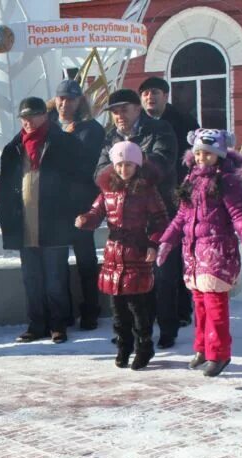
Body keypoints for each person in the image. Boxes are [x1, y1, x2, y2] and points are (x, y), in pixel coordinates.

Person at [158, 129, 242, 377]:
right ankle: (202, 348)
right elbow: (182, 216)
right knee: (200, 304)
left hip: (217, 250)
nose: (202, 158)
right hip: (193, 251)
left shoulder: (226, 180)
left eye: (208, 153)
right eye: (199, 153)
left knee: (215, 303)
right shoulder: (191, 179)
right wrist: (167, 241)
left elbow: (239, 214)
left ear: (219, 155)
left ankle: (219, 352)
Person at [95, 89, 181, 348]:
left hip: (159, 213)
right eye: (114, 112)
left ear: (137, 108)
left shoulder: (159, 129)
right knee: (129, 281)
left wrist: (130, 164)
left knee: (163, 276)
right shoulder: (110, 137)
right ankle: (130, 331)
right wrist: (120, 170)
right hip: (125, 222)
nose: (119, 115)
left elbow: (163, 164)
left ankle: (168, 329)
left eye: (124, 109)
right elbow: (99, 173)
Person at [0, 97, 87, 344]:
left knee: (55, 279)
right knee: (32, 280)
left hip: (54, 222)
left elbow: (79, 180)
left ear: (44, 116)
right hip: (24, 223)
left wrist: (71, 209)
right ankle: (36, 324)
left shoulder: (64, 143)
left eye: (32, 116)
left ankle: (59, 324)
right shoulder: (13, 148)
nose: (27, 122)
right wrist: (5, 213)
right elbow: (4, 186)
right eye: (23, 117)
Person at [76, 141, 168, 369]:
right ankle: (123, 346)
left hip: (137, 251)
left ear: (137, 165)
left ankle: (144, 346)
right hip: (113, 253)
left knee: (138, 307)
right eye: (119, 165)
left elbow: (160, 221)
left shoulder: (147, 191)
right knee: (117, 307)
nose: (124, 170)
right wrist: (86, 220)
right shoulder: (108, 190)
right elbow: (97, 212)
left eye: (129, 165)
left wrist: (153, 244)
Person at [138, 76, 199, 330]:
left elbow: (195, 160)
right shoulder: (137, 123)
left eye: (155, 93)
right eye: (145, 94)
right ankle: (151, 310)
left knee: (178, 256)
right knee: (152, 257)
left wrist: (188, 192)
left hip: (178, 197)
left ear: (166, 95)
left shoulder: (184, 121)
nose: (150, 97)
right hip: (145, 200)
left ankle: (182, 309)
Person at [50, 79, 106, 331]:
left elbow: (86, 165)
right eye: (61, 98)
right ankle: (63, 314)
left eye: (70, 99)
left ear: (79, 101)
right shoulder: (49, 125)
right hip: (57, 207)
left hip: (83, 204)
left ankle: (90, 311)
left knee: (86, 261)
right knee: (57, 262)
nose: (65, 104)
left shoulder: (91, 129)